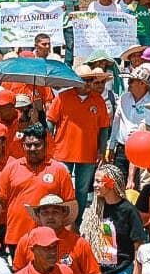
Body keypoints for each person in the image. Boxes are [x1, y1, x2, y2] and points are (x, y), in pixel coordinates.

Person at [0, 124, 75, 257]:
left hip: (49, 239)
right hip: (16, 237)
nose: (32, 149)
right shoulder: (11, 168)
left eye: (37, 144)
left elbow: (69, 206)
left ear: (45, 145)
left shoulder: (59, 170)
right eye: (28, 145)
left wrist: (67, 239)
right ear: (23, 146)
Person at [80, 165, 146, 274]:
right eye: (94, 181)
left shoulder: (128, 210)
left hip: (121, 270)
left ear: (111, 183)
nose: (95, 185)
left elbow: (138, 246)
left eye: (99, 181)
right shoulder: (96, 208)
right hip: (96, 271)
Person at [47, 65, 111, 217]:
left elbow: (104, 128)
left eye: (90, 80)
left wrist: (102, 151)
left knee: (82, 190)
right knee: (61, 187)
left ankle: (77, 221)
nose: (88, 83)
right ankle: (60, 218)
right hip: (62, 152)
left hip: (88, 153)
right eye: (84, 80)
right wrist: (47, 145)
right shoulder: (62, 97)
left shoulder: (98, 100)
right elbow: (50, 123)